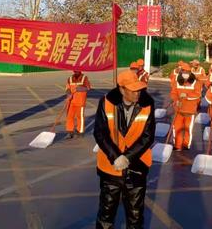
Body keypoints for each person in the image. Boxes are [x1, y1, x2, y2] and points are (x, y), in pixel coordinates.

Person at [94, 70, 155, 229]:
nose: (138, 93)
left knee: (135, 215)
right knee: (106, 214)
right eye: (133, 90)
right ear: (121, 89)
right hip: (110, 167)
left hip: (137, 166)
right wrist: (115, 157)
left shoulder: (147, 104)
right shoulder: (106, 102)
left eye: (139, 89)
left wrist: (127, 157)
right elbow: (100, 133)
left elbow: (147, 137)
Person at [170, 62, 202, 151]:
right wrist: (176, 100)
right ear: (181, 72)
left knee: (188, 128)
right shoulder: (177, 81)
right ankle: (177, 145)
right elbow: (173, 93)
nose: (185, 74)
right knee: (176, 127)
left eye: (187, 73)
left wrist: (187, 96)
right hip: (178, 109)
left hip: (190, 110)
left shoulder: (196, 82)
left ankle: (186, 144)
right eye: (184, 72)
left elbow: (198, 94)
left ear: (190, 73)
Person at [65, 70, 91, 138]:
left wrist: (79, 88)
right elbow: (67, 88)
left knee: (80, 117)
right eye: (75, 71)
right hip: (71, 101)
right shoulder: (70, 78)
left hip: (80, 101)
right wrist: (68, 93)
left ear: (80, 71)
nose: (76, 72)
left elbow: (88, 88)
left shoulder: (84, 78)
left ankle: (80, 131)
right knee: (69, 116)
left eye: (77, 71)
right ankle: (70, 131)